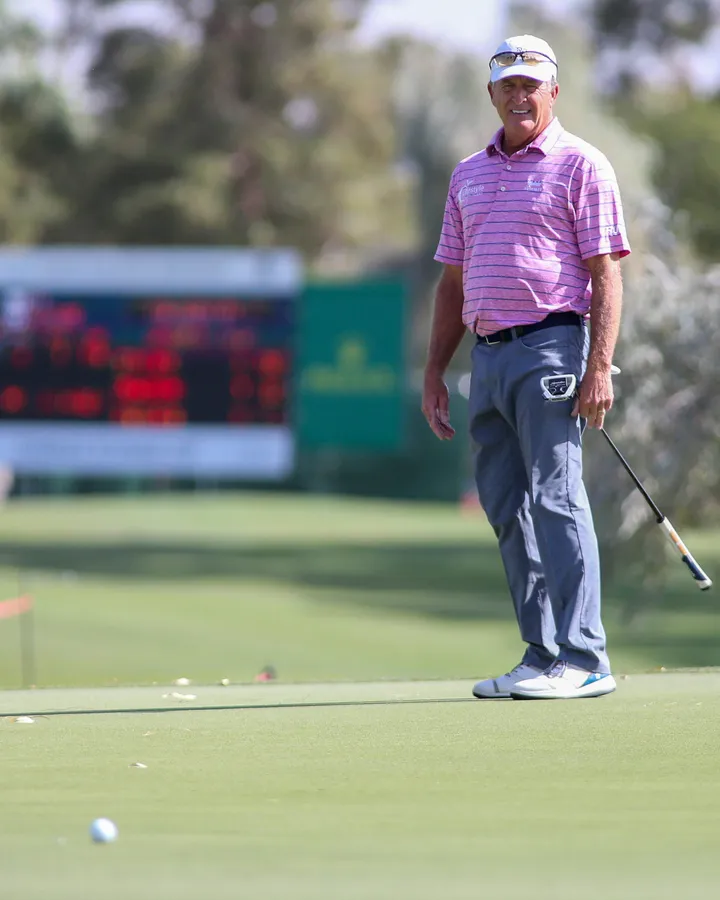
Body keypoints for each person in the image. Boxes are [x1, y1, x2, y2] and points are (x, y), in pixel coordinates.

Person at [422, 34, 631, 700]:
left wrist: (598, 367)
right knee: (507, 507)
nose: (519, 96)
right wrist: (434, 371)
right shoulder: (468, 173)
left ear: (553, 92)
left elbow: (606, 275)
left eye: (530, 86)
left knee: (556, 498)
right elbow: (453, 283)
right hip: (486, 355)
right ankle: (542, 655)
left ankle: (585, 657)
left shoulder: (582, 164)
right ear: (492, 94)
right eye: (508, 85)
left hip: (552, 349)